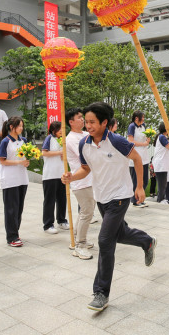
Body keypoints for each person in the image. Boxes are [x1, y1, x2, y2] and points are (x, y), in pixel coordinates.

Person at [62, 102, 156, 312]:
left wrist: (140, 186)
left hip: (120, 197)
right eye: (86, 122)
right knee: (119, 234)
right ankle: (147, 242)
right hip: (102, 197)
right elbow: (85, 169)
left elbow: (137, 158)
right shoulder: (84, 143)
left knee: (105, 241)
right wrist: (71, 176)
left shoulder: (116, 141)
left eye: (92, 122)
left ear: (105, 123)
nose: (88, 125)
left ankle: (101, 293)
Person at [63, 108, 94, 260]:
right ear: (71, 122)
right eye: (80, 117)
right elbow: (87, 155)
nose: (82, 120)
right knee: (87, 212)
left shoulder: (84, 134)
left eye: (83, 117)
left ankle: (77, 239)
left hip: (90, 179)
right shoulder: (71, 138)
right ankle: (79, 246)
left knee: (85, 211)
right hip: (80, 180)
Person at [0, 116, 30, 247]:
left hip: (22, 178)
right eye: (19, 126)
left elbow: (24, 156)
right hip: (10, 179)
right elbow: (2, 160)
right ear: (12, 127)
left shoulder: (24, 140)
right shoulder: (5, 142)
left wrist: (26, 161)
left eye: (22, 126)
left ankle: (15, 233)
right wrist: (19, 162)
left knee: (19, 208)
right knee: (11, 209)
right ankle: (11, 237)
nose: (21, 128)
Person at [41, 121, 67, 234]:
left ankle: (61, 220)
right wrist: (59, 152)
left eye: (62, 128)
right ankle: (48, 224)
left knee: (62, 199)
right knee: (49, 200)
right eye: (59, 128)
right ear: (53, 130)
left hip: (60, 173)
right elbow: (44, 153)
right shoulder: (49, 139)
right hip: (50, 175)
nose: (61, 130)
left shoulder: (62, 140)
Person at [127, 111, 151, 208]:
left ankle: (140, 198)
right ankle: (134, 200)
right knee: (135, 179)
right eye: (142, 117)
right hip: (135, 153)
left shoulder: (143, 126)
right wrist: (144, 144)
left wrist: (148, 140)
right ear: (136, 118)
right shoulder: (131, 126)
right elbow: (130, 141)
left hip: (144, 155)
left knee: (145, 179)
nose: (143, 119)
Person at [152, 122, 169, 204]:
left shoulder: (162, 137)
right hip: (160, 164)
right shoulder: (162, 137)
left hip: (162, 164)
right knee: (162, 184)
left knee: (163, 183)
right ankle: (160, 200)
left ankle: (161, 199)